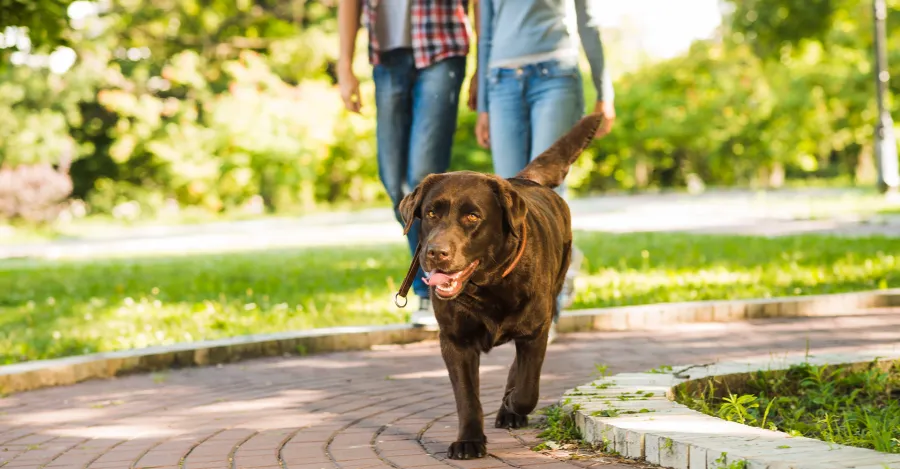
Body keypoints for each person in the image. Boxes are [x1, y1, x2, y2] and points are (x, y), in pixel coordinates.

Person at [472, 0, 616, 343]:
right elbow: (485, 34)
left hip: (556, 76)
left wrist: (604, 90)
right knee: (507, 200)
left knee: (545, 193)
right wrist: (484, 107)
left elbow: (587, 21)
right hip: (502, 82)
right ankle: (522, 298)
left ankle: (546, 311)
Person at [336, 0, 472, 329]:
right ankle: (445, 276)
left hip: (441, 46)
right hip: (387, 54)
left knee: (422, 178)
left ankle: (432, 288)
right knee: (396, 183)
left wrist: (483, 68)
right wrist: (344, 64)